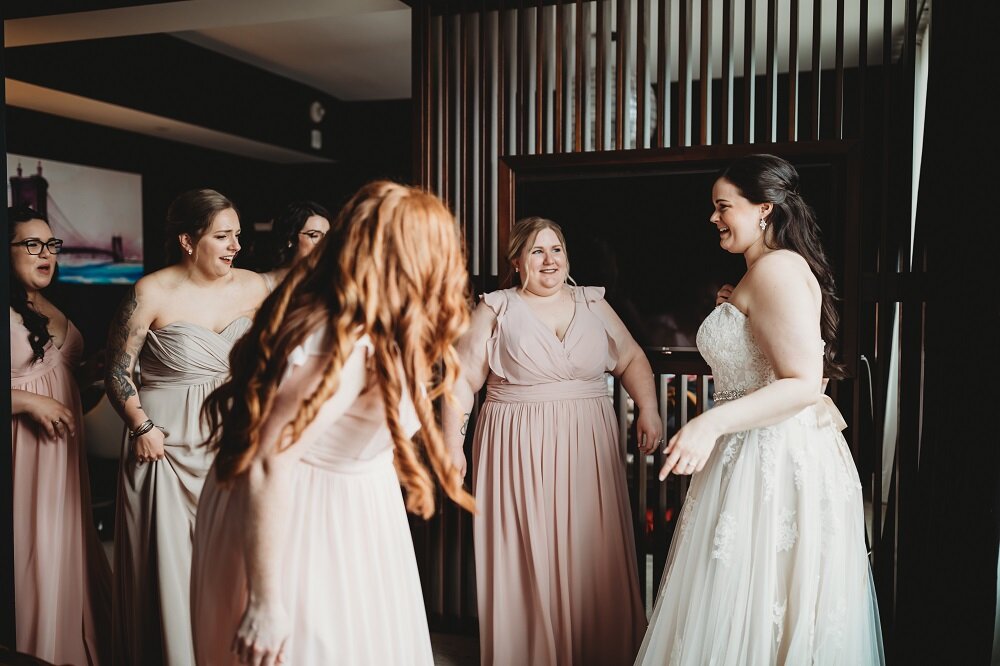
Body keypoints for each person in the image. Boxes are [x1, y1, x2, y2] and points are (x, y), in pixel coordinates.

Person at [190, 180, 475, 666]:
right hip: (303, 522)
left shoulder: (384, 321)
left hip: (358, 517)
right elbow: (267, 463)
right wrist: (265, 602)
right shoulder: (336, 342)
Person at [636, 154, 884, 664]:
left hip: (770, 456)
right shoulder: (764, 273)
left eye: (723, 206)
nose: (714, 218)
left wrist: (708, 422)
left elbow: (802, 385)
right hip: (752, 452)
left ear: (764, 210)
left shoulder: (775, 271)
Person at [443, 216, 662, 666]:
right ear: (518, 262)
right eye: (537, 251)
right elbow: (462, 381)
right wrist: (451, 444)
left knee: (590, 544)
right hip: (515, 444)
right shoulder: (497, 308)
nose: (549, 259)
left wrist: (649, 409)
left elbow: (633, 358)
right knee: (527, 547)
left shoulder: (593, 302)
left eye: (556, 249)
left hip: (589, 442)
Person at [105, 189, 268, 665]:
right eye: (222, 236)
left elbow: (272, 360)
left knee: (236, 563)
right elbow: (119, 371)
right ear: (187, 240)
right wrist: (141, 426)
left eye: (236, 234)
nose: (235, 245)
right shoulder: (150, 292)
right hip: (164, 445)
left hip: (234, 439)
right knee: (171, 568)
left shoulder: (255, 287)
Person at [8, 204, 111, 665]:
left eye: (51, 244)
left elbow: (55, 373)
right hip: (22, 454)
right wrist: (29, 402)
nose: (45, 253)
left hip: (65, 458)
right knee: (35, 555)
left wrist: (94, 372)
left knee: (68, 551)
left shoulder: (44, 302)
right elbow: (32, 387)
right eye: (32, 244)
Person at [259, 200, 330, 291]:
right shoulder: (260, 284)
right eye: (314, 235)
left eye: (327, 236)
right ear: (290, 238)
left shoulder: (327, 287)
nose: (323, 242)